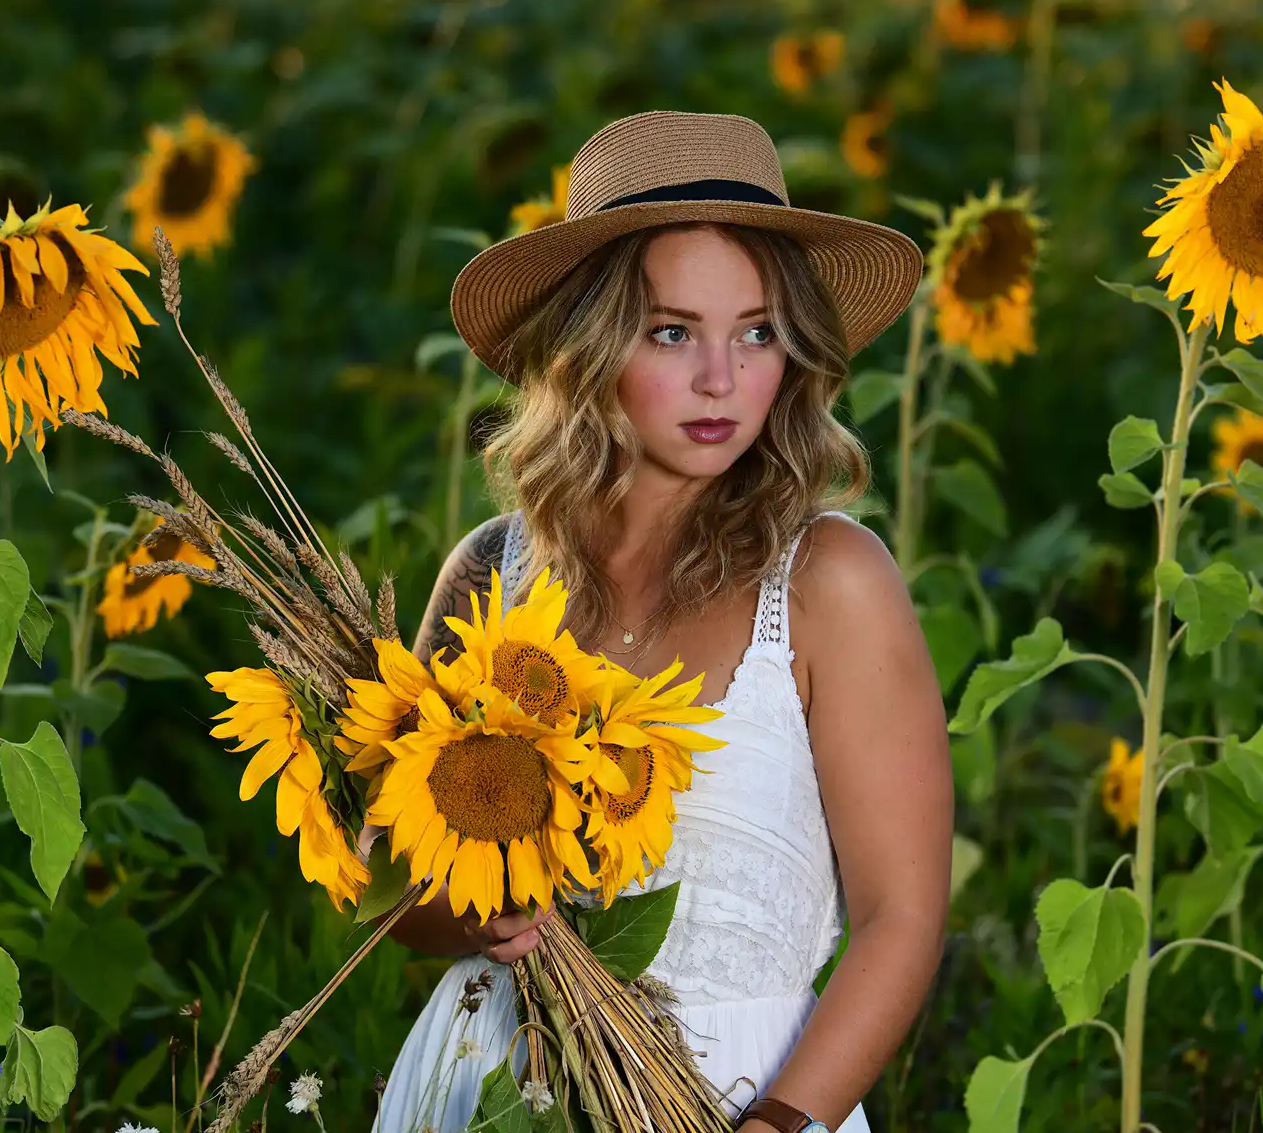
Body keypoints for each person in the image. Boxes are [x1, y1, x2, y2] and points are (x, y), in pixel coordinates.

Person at [365, 110, 953, 1133]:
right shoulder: (490, 574)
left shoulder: (828, 583)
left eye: (758, 331)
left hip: (749, 1094)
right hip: (492, 1082)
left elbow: (902, 917)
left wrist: (779, 1125)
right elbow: (388, 882)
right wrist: (475, 909)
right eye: (672, 331)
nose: (723, 379)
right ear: (587, 345)